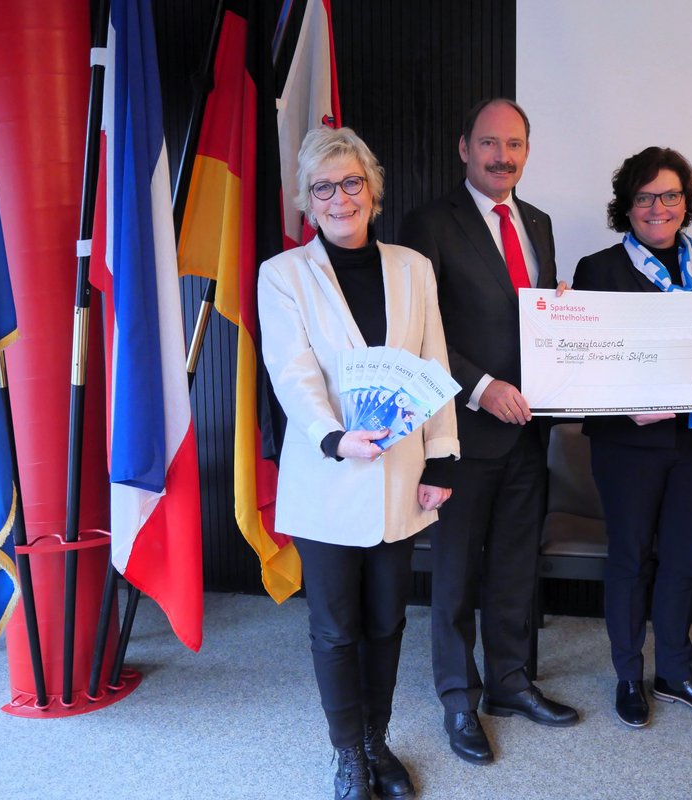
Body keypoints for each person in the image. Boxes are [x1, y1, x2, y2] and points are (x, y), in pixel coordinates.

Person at [258, 126, 460, 799]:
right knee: (336, 628)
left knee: (387, 622)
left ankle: (378, 741)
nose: (339, 198)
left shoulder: (413, 267)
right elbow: (292, 373)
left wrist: (442, 458)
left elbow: (433, 363)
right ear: (306, 199)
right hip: (326, 475)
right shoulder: (283, 274)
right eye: (323, 187)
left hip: (401, 477)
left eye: (351, 183)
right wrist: (333, 438)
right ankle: (348, 754)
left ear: (372, 191)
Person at [399, 98, 577, 766]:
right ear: (464, 148)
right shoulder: (429, 223)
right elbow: (419, 329)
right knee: (456, 574)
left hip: (529, 429)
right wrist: (481, 387)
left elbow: (530, 317)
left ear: (526, 152)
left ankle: (509, 683)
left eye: (515, 144)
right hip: (461, 431)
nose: (503, 156)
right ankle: (457, 698)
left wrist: (564, 323)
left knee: (513, 567)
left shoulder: (539, 223)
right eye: (490, 143)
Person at [570, 147, 692, 729]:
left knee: (684, 560)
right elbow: (583, 362)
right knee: (630, 558)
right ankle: (627, 676)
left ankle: (675, 673)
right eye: (644, 197)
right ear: (627, 206)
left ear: (686, 202)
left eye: (670, 195)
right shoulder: (598, 269)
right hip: (627, 445)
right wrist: (625, 407)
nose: (658, 207)